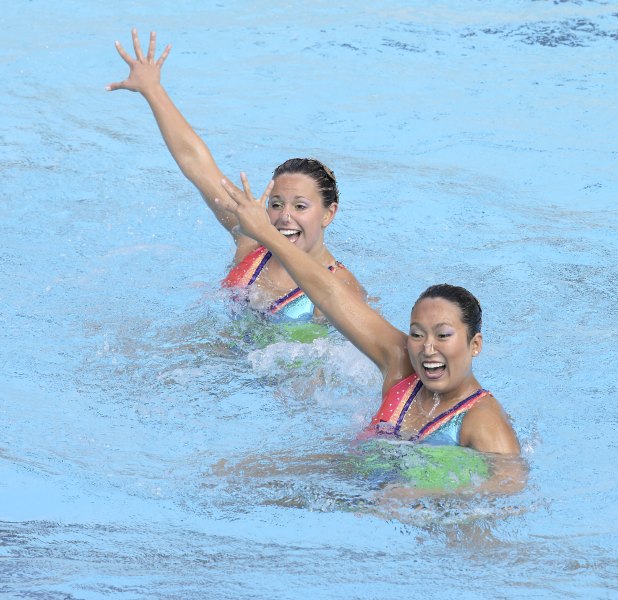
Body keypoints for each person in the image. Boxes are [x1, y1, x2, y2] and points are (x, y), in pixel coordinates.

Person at [217, 174, 523, 464]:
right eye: (417, 334)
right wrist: (267, 234)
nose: (428, 348)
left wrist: (420, 494)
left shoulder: (484, 422)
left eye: (443, 335)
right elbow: (329, 295)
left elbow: (509, 490)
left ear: (475, 344)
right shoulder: (402, 367)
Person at [106, 29, 364, 322]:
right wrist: (153, 90)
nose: (285, 216)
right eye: (276, 204)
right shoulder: (251, 242)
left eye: (300, 206)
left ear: (329, 213)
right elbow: (196, 163)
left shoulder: (340, 287)